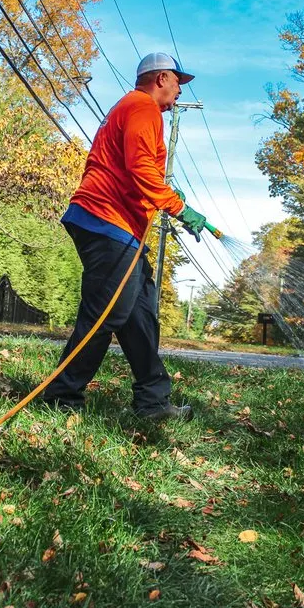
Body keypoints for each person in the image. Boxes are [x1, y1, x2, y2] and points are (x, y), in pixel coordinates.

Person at [43, 52, 207, 422]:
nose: (180, 89)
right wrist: (179, 208)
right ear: (161, 78)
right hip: (105, 220)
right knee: (106, 313)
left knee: (140, 314)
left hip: (116, 226)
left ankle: (153, 402)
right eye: (178, 81)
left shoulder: (134, 110)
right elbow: (141, 168)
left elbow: (137, 168)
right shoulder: (142, 107)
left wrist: (167, 203)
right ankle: (61, 395)